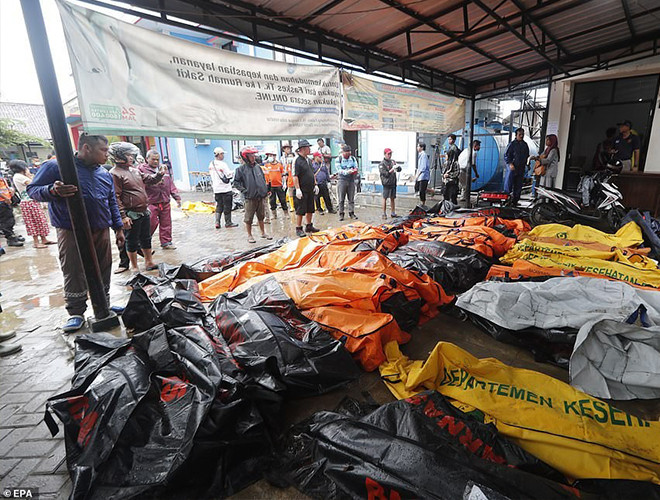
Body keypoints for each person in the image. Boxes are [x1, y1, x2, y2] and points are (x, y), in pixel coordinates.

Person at [27, 134, 125, 333]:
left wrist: (118, 228)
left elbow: (111, 202)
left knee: (103, 267)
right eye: (103, 150)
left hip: (100, 228)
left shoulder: (104, 173)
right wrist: (52, 191)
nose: (107, 155)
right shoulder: (56, 167)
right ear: (87, 148)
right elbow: (32, 190)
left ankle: (103, 304)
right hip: (70, 229)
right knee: (73, 269)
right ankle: (76, 313)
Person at [109, 142, 162, 273]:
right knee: (131, 240)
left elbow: (149, 180)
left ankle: (149, 262)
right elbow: (115, 196)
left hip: (143, 211)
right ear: (118, 156)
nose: (131, 157)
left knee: (146, 238)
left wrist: (159, 175)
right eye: (128, 155)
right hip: (130, 213)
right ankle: (134, 266)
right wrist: (123, 216)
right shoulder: (115, 173)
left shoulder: (135, 170)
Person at [138, 150, 181, 250]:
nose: (156, 162)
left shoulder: (163, 168)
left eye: (157, 159)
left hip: (164, 201)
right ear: (147, 159)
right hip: (151, 202)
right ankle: (143, 242)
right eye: (153, 159)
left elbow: (170, 183)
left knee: (166, 222)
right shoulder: (141, 170)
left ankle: (166, 242)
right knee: (151, 223)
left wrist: (176, 197)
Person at [8, 160, 55, 248]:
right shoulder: (19, 176)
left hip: (32, 201)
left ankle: (44, 239)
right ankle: (36, 242)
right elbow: (33, 183)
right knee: (33, 222)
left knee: (40, 220)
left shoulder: (20, 176)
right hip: (28, 202)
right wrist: (29, 175)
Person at [233, 146, 272, 244]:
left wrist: (265, 190)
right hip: (250, 198)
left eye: (254, 155)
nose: (253, 157)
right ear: (245, 157)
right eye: (251, 155)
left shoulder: (258, 167)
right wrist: (244, 191)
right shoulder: (240, 169)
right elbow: (236, 183)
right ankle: (249, 235)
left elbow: (262, 179)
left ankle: (263, 233)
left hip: (260, 196)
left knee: (261, 216)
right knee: (249, 218)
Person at [292, 139, 319, 237]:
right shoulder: (297, 160)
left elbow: (312, 174)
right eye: (308, 147)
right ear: (302, 149)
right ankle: (299, 228)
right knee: (300, 210)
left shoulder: (308, 160)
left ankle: (309, 225)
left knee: (310, 208)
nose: (309, 149)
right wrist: (297, 189)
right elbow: (295, 175)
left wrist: (315, 184)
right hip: (302, 189)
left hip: (310, 189)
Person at [208, 147, 238, 229]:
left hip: (216, 189)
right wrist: (233, 172)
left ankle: (217, 222)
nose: (223, 155)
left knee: (219, 205)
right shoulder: (223, 164)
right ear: (219, 154)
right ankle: (228, 222)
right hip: (225, 189)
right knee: (227, 206)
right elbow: (228, 175)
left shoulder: (211, 164)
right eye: (222, 154)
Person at [503, 128, 530, 206]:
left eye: (522, 134)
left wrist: (527, 165)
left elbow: (527, 155)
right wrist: (510, 164)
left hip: (521, 168)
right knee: (509, 184)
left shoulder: (525, 145)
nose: (521, 136)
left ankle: (515, 201)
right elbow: (506, 155)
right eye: (519, 134)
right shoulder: (512, 144)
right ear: (516, 135)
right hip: (512, 167)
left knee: (518, 185)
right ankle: (506, 200)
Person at [335, 144, 359, 221]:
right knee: (341, 198)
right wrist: (347, 172)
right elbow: (339, 170)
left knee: (351, 198)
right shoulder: (338, 159)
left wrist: (355, 170)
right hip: (342, 179)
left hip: (351, 179)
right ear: (343, 152)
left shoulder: (353, 158)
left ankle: (351, 213)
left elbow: (356, 167)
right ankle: (341, 214)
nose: (348, 154)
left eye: (349, 152)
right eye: (346, 152)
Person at [0, 172, 24, 247]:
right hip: (2, 201)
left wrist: (10, 190)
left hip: (5, 200)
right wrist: (5, 198)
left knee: (10, 219)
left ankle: (12, 235)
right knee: (6, 221)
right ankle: (10, 238)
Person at [263, 150, 288, 218]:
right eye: (269, 155)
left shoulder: (279, 165)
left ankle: (286, 213)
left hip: (279, 185)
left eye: (271, 155)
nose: (270, 157)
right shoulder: (266, 165)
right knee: (272, 201)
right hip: (270, 186)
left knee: (282, 200)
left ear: (275, 156)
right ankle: (274, 214)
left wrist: (284, 183)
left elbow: (283, 174)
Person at [379, 148, 401, 219]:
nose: (390, 155)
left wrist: (398, 167)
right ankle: (384, 213)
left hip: (393, 182)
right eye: (388, 154)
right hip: (386, 183)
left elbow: (399, 169)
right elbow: (385, 174)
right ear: (385, 154)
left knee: (392, 198)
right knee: (385, 198)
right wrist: (391, 170)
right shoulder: (382, 164)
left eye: (390, 154)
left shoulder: (393, 161)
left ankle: (393, 213)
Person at [442, 134, 460, 204]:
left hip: (452, 182)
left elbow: (456, 173)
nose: (449, 141)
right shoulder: (448, 163)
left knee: (452, 197)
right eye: (448, 139)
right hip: (447, 182)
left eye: (450, 139)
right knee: (446, 196)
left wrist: (448, 175)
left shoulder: (455, 163)